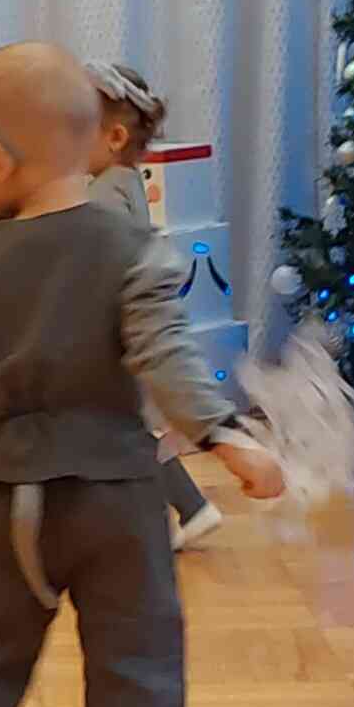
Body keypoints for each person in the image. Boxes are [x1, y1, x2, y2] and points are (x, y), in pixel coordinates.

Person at [0, 43, 286, 707]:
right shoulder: (130, 249)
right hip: (113, 497)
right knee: (135, 657)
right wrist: (226, 438)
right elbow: (165, 359)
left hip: (5, 500)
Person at [86, 62, 221, 550]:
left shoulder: (104, 193)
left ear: (115, 137)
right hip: (123, 329)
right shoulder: (122, 182)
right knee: (130, 432)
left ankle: (188, 509)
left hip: (114, 334)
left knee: (127, 434)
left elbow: (101, 262)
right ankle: (188, 508)